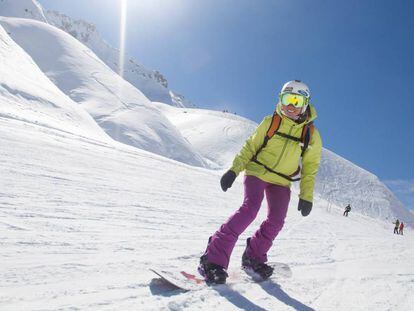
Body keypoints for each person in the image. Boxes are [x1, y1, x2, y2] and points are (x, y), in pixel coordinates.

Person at [198, 80, 322, 284]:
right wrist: (234, 169)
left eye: (296, 100)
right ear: (280, 100)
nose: (290, 106)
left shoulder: (311, 135)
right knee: (250, 209)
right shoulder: (271, 122)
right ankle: (212, 260)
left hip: (281, 181)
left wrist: (306, 196)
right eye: (286, 99)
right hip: (257, 171)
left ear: (305, 104)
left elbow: (310, 167)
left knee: (277, 220)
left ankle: (253, 256)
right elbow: (250, 146)